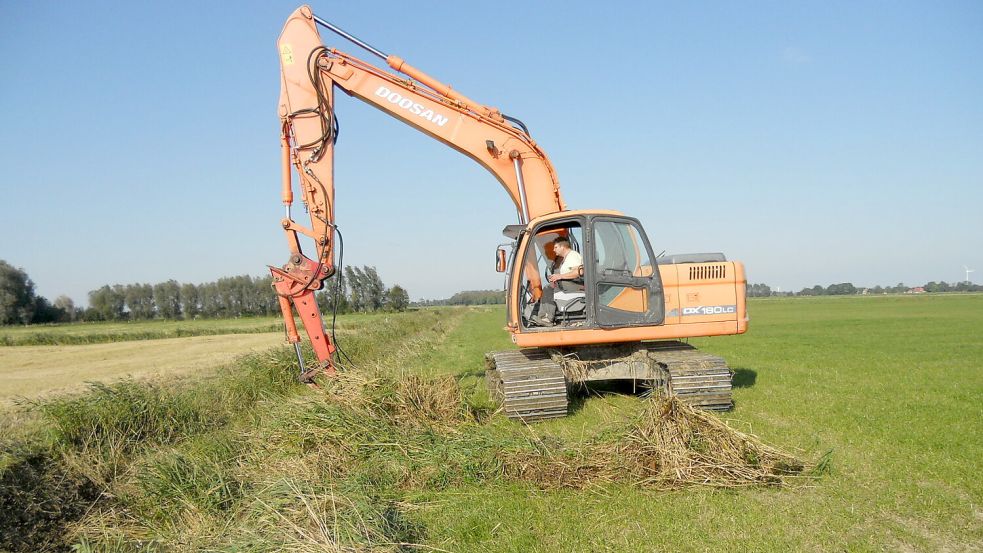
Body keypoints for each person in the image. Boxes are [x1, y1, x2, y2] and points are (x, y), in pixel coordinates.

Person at [530, 236, 583, 326]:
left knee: (548, 289)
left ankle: (547, 318)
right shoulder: (566, 258)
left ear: (563, 246)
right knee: (549, 288)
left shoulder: (573, 256)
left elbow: (579, 272)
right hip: (570, 285)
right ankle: (544, 316)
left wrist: (560, 276)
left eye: (556, 247)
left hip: (575, 286)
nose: (554, 250)